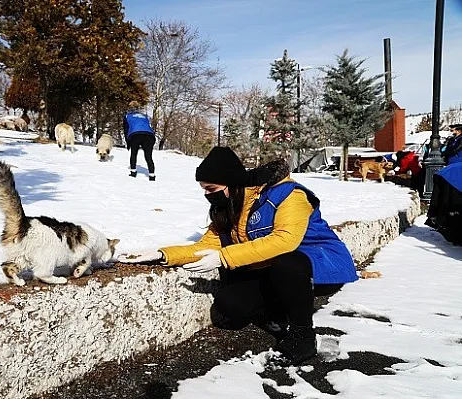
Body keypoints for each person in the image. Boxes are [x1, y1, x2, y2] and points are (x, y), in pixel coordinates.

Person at [117, 147, 358, 366]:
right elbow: (204, 247)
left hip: (319, 265)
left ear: (230, 182)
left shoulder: (288, 195)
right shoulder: (230, 205)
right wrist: (160, 254)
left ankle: (302, 336)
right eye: (204, 190)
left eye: (211, 190)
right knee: (228, 310)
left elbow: (285, 240)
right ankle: (279, 310)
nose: (208, 196)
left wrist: (224, 257)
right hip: (272, 269)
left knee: (288, 261)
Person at [123, 101, 156, 181]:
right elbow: (147, 126)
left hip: (135, 134)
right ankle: (152, 175)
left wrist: (128, 142)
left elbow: (126, 130)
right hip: (149, 135)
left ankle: (133, 172)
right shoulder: (145, 116)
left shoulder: (127, 116)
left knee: (134, 153)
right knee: (148, 156)